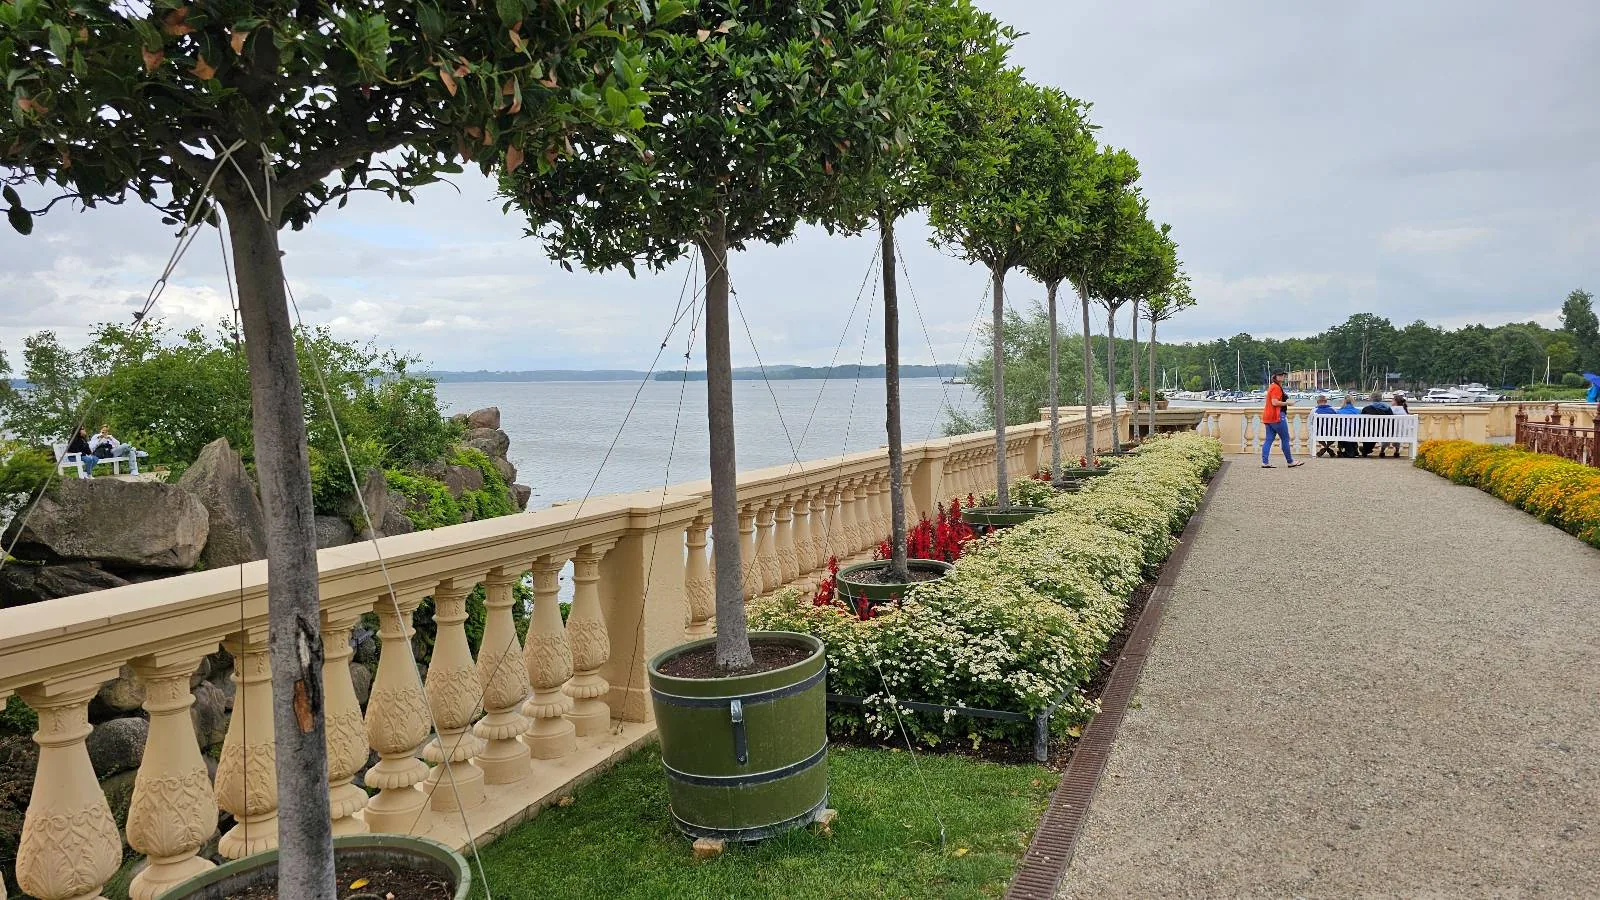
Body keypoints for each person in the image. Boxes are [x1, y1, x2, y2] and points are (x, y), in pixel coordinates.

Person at [1260, 370, 1302, 468]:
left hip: (1268, 417)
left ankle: (1265, 462)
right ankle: (1290, 461)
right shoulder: (1275, 387)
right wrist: (1288, 403)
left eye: (1283, 375)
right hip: (1277, 416)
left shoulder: (1272, 386)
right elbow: (1274, 402)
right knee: (1285, 439)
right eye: (1280, 375)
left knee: (1269, 439)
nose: (1282, 376)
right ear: (1275, 376)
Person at [1359, 392, 1393, 457]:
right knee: (1374, 431)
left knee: (1368, 431)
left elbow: (1361, 421)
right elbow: (1391, 421)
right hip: (1384, 432)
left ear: (1372, 399)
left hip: (1369, 432)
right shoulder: (1388, 409)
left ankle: (1366, 450)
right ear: (1381, 398)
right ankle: (1366, 450)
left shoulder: (1366, 409)